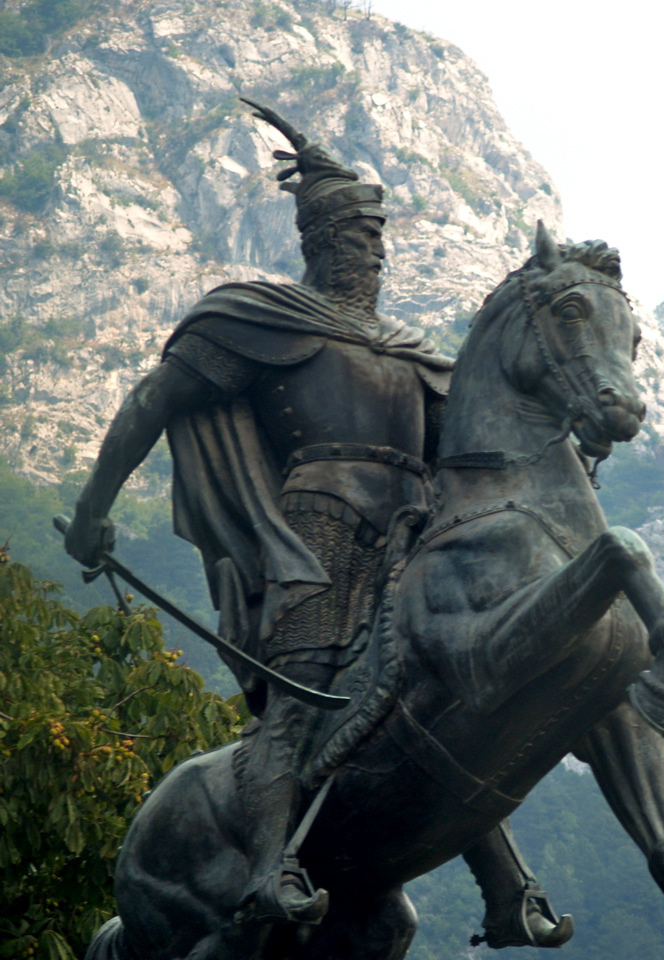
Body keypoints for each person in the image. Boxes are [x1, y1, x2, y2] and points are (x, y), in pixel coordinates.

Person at [64, 99, 571, 947]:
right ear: (322, 244)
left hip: (416, 538)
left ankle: (505, 887)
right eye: (357, 240)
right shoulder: (264, 320)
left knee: (445, 689)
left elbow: (478, 451)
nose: (372, 254)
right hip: (312, 535)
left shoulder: (414, 352)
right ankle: (268, 866)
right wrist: (92, 511)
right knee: (298, 707)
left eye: (377, 241)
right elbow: (157, 398)